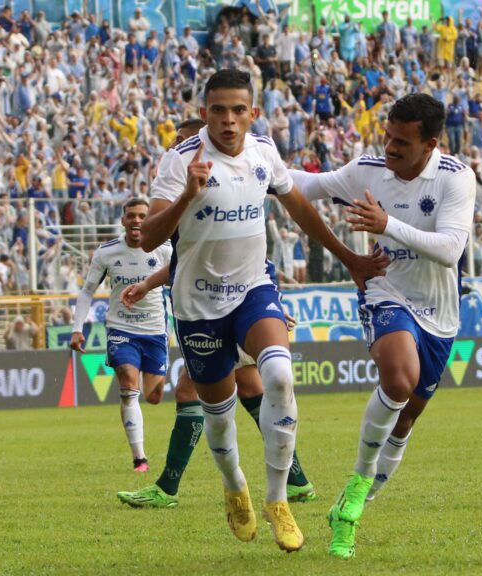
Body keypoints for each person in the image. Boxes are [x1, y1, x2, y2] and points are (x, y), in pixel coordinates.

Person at [141, 69, 386, 552]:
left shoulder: (263, 152)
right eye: (218, 110)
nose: (228, 121)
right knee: (217, 412)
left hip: (253, 288)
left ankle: (278, 500)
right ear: (205, 111)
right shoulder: (179, 161)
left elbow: (300, 209)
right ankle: (235, 485)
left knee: (278, 376)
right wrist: (188, 195)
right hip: (198, 304)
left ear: (252, 113)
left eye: (238, 110)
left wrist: (350, 257)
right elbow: (148, 237)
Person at [289, 93, 475, 558]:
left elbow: (451, 250)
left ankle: (352, 506)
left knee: (407, 416)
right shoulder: (367, 169)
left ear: (430, 144)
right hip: (385, 290)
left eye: (402, 143)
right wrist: (255, 169)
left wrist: (387, 223)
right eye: (387, 137)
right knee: (398, 377)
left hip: (439, 312)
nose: (389, 149)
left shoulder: (456, 178)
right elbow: (306, 186)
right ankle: (356, 485)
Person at [117, 119, 318, 509]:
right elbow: (183, 258)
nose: (177, 148)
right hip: (208, 299)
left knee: (199, 389)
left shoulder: (216, 175)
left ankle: (169, 486)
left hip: (226, 303)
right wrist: (147, 285)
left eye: (182, 140)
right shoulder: (185, 185)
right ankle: (297, 480)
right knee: (250, 389)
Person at [70, 197, 173, 472]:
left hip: (154, 331)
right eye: (131, 216)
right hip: (121, 328)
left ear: (148, 220)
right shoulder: (107, 252)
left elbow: (177, 284)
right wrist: (77, 328)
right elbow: (87, 291)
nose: (137, 220)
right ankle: (140, 458)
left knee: (154, 396)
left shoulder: (164, 250)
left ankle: (140, 402)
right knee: (128, 385)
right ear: (123, 220)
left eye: (142, 215)